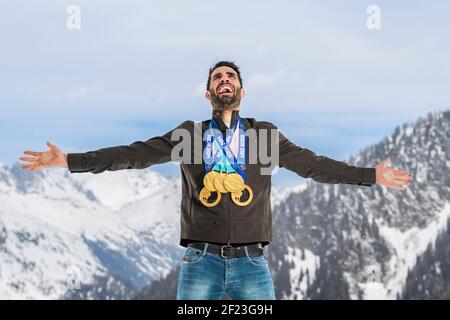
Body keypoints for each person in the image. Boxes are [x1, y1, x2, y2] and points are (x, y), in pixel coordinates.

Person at [19, 61, 413, 300]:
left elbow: (314, 165)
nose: (225, 80)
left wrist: (371, 176)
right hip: (199, 262)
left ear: (241, 91)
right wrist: (69, 160)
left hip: (252, 263)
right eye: (217, 78)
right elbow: (132, 154)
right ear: (208, 94)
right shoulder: (187, 137)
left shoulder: (265, 137)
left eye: (231, 76)